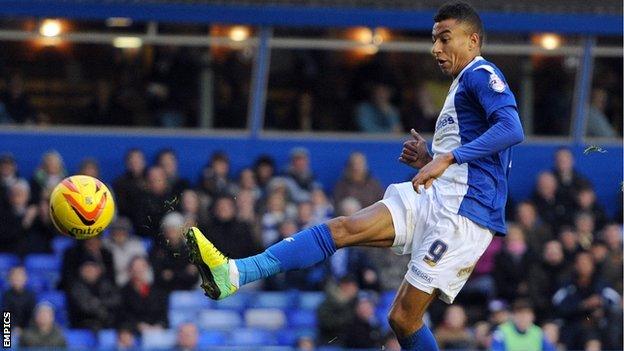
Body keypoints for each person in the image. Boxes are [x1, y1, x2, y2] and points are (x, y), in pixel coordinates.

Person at [183, 2, 524, 349]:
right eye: (434, 39)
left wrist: (447, 157)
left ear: (473, 40)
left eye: (445, 39)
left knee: (403, 318)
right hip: (437, 195)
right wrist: (431, 157)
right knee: (341, 228)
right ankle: (235, 274)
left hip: (464, 214)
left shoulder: (482, 75)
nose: (436, 48)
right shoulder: (461, 83)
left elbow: (512, 128)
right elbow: (472, 155)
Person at [491, 299, 556, 351]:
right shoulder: (501, 332)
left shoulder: (538, 333)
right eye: (520, 314)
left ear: (532, 316)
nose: (523, 318)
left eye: (526, 314)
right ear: (513, 316)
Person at [1, 266, 36, 331]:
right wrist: (14, 328)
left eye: (20, 277)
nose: (17, 279)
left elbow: (32, 316)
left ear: (25, 278)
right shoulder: (5, 295)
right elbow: (5, 315)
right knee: (9, 338)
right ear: (10, 279)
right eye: (15, 277)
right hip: (8, 329)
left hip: (27, 329)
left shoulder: (31, 295)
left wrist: (24, 329)